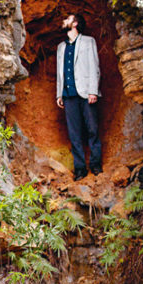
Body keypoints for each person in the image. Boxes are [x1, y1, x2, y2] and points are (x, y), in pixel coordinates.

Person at [55, 13, 102, 180]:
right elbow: (59, 73)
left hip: (86, 93)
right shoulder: (61, 47)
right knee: (74, 133)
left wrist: (93, 91)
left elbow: (94, 67)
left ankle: (96, 165)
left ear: (75, 23)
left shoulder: (88, 41)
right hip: (68, 95)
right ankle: (80, 169)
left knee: (92, 129)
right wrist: (59, 93)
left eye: (67, 19)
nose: (64, 21)